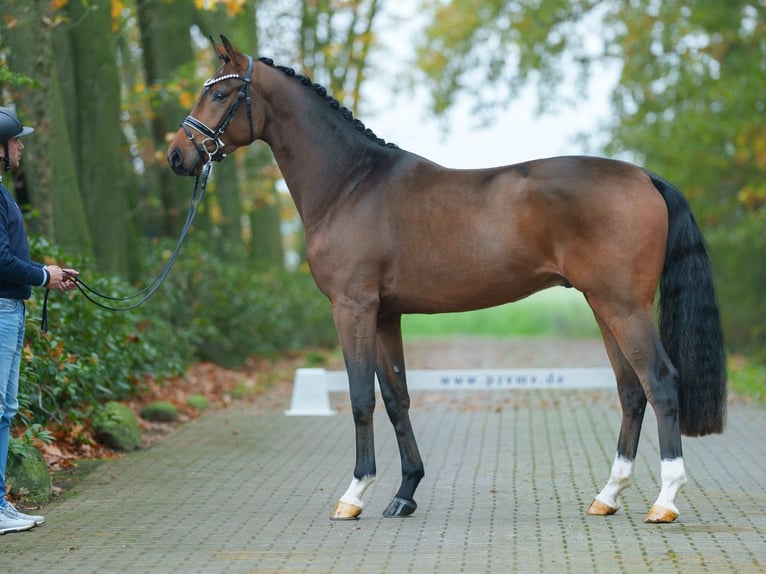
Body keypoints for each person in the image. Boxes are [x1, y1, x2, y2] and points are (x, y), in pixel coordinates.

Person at [0, 106, 79, 534]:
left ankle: (0, 504)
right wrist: (41, 275)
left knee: (4, 410)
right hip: (1, 311)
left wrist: (48, 274)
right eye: (15, 141)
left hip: (10, 308)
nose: (21, 146)